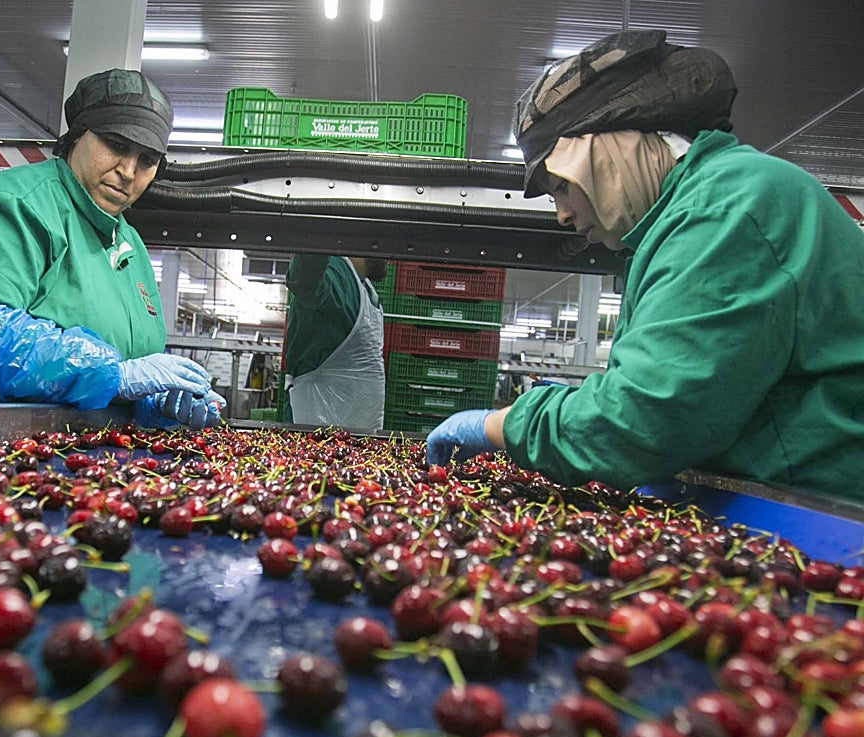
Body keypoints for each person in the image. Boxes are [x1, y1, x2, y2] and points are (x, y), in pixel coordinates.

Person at [426, 29, 864, 502]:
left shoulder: (726, 208)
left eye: (561, 187)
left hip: (821, 518)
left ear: (605, 150)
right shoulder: (701, 208)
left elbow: (642, 421)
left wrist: (504, 423)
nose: (563, 215)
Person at [0, 68, 223, 430]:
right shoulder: (13, 205)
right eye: (116, 145)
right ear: (77, 135)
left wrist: (157, 401)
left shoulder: (130, 246)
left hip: (71, 464)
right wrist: (114, 375)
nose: (129, 171)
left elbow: (130, 372)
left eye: (147, 160)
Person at [282, 253, 387, 431]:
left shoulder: (366, 288)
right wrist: (323, 235)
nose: (389, 257)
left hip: (358, 434)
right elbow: (304, 283)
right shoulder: (334, 275)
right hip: (316, 431)